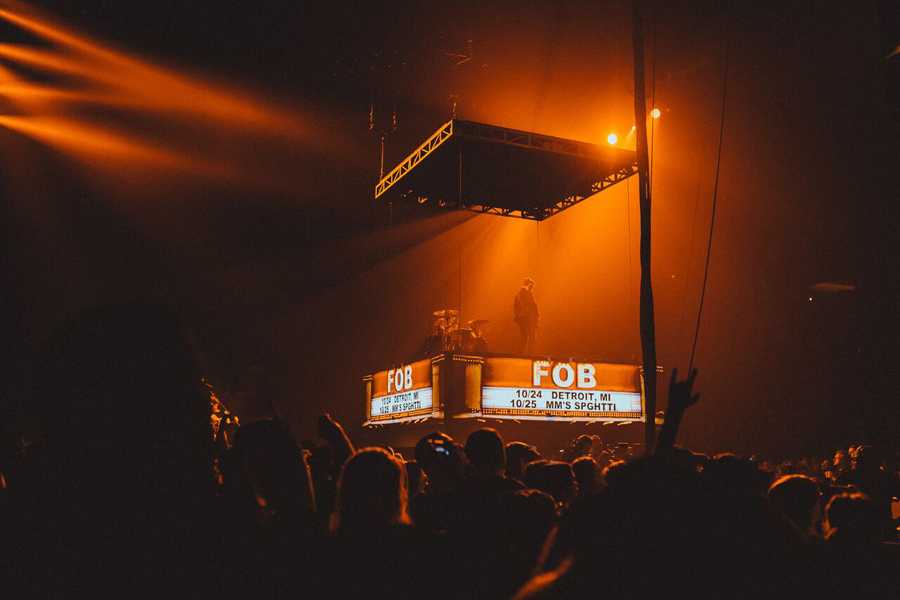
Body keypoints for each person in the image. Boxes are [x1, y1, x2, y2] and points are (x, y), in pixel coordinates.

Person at [513, 277, 539, 354]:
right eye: (532, 286)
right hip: (526, 317)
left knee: (526, 336)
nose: (532, 288)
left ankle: (522, 353)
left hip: (525, 317)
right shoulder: (524, 293)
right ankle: (526, 353)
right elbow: (530, 305)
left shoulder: (523, 293)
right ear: (529, 284)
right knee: (529, 336)